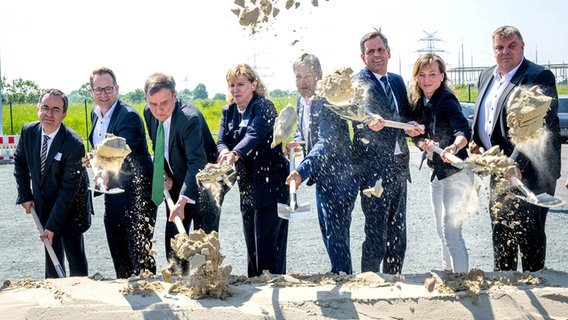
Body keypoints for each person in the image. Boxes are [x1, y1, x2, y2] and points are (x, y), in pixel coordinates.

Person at [470, 25, 561, 272]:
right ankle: (505, 290)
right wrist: (477, 142)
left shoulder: (538, 77)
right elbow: (487, 116)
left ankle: (535, 285)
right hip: (500, 170)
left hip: (531, 172)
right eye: (499, 47)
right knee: (501, 231)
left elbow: (535, 126)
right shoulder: (486, 75)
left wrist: (517, 164)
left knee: (529, 236)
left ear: (522, 47)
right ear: (493, 50)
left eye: (511, 46)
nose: (505, 52)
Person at [285, 53, 359, 274]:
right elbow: (305, 131)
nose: (302, 82)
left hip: (341, 178)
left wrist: (301, 171)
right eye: (298, 77)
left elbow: (326, 142)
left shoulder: (328, 101)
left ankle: (343, 278)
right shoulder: (301, 100)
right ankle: (340, 275)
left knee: (336, 236)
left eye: (307, 76)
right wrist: (297, 140)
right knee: (327, 231)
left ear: (319, 75)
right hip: (323, 179)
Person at [143, 72, 220, 273]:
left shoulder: (189, 118)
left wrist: (183, 200)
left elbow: (197, 162)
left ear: (175, 96)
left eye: (164, 103)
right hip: (178, 179)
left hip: (206, 183)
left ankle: (206, 281)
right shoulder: (148, 113)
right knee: (175, 235)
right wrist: (165, 173)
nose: (158, 110)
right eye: (153, 104)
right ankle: (178, 278)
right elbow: (159, 144)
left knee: (202, 238)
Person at [217, 63, 289, 277]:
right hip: (247, 188)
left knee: (269, 248)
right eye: (232, 85)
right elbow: (221, 141)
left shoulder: (264, 106)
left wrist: (235, 153)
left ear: (254, 84)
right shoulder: (228, 112)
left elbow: (254, 135)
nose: (235, 90)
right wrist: (223, 152)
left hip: (272, 186)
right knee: (253, 248)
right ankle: (256, 287)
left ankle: (275, 287)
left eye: (241, 84)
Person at [14, 88, 92, 278]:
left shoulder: (73, 144)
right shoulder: (29, 131)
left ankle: (82, 291)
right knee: (51, 251)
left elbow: (67, 190)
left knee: (73, 251)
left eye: (56, 110)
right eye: (45, 107)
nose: (49, 114)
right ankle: (55, 291)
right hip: (44, 201)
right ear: (38, 108)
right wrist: (25, 195)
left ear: (64, 114)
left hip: (72, 205)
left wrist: (52, 226)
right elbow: (20, 162)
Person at [406, 53, 473, 273]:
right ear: (416, 77)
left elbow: (463, 130)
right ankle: (448, 271)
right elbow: (415, 134)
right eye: (422, 74)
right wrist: (420, 141)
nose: (427, 79)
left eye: (432, 74)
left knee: (452, 231)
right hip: (436, 174)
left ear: (442, 76)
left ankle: (463, 281)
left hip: (457, 173)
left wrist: (454, 147)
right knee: (440, 229)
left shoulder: (447, 100)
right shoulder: (417, 102)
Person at [352, 29, 412, 274]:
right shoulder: (357, 83)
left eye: (380, 50)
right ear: (362, 56)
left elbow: (405, 116)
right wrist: (368, 121)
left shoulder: (396, 81)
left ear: (389, 51)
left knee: (398, 233)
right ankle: (370, 281)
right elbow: (357, 115)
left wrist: (413, 127)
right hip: (374, 170)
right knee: (376, 234)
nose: (376, 55)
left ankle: (394, 279)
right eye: (370, 51)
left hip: (400, 165)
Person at [88, 67, 157, 278]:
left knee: (140, 251)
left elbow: (122, 150)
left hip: (137, 193)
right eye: (98, 90)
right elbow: (100, 149)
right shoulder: (95, 114)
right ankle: (126, 292)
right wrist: (95, 163)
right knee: (117, 248)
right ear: (91, 92)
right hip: (113, 192)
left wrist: (105, 169)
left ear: (116, 89)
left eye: (108, 89)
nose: (103, 94)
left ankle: (149, 290)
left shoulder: (129, 116)